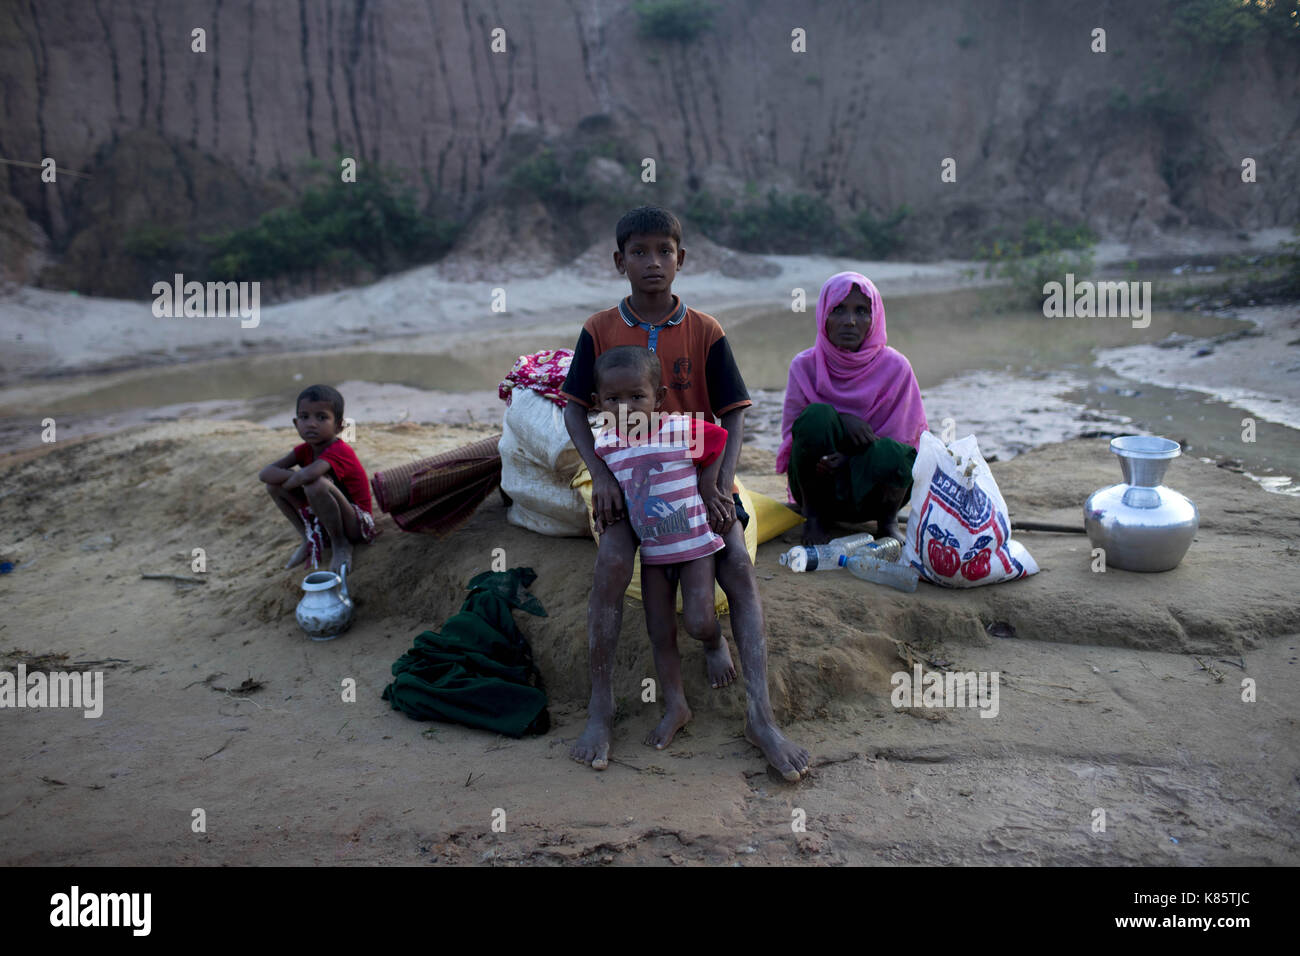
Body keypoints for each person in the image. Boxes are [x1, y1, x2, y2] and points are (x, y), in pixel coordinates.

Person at [560, 205, 810, 781]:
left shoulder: (706, 330)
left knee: (738, 566)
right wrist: (599, 475)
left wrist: (718, 484)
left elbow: (732, 415)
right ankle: (601, 708)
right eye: (640, 252)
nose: (653, 262)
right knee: (613, 559)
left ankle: (761, 716)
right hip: (623, 472)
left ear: (681, 259)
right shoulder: (599, 329)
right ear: (619, 261)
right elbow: (575, 409)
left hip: (696, 468)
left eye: (664, 252)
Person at [590, 346, 730, 750]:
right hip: (652, 556)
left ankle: (714, 643)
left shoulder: (680, 428)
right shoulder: (606, 446)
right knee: (659, 632)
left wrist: (708, 484)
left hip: (695, 546)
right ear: (598, 404)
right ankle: (676, 706)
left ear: (660, 397)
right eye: (613, 400)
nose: (626, 407)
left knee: (699, 620)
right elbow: (608, 486)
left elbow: (718, 440)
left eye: (637, 396)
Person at [776, 272, 928, 546]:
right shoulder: (805, 366)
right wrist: (843, 421)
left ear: (875, 317)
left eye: (861, 310)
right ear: (823, 314)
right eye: (838, 310)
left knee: (897, 453)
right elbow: (794, 436)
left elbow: (906, 442)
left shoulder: (896, 368)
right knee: (816, 417)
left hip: (874, 494)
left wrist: (850, 456)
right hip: (819, 487)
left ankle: (888, 522)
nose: (850, 321)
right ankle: (815, 518)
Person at [259, 384, 377, 572]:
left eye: (322, 417)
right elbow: (265, 474)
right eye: (304, 417)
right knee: (273, 487)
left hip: (357, 524)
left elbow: (310, 475)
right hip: (329, 517)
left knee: (315, 485)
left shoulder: (340, 450)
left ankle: (341, 544)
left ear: (339, 426)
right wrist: (294, 480)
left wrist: (293, 480)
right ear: (296, 423)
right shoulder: (304, 450)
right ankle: (307, 538)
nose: (311, 424)